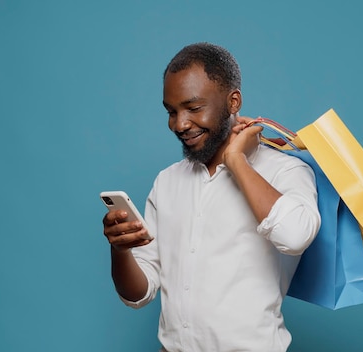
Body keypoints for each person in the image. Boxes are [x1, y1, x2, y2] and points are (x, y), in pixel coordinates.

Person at [102, 42, 321, 351]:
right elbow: (138, 295)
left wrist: (236, 161)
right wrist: (120, 250)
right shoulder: (167, 182)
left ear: (233, 102)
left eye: (193, 108)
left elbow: (296, 236)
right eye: (171, 111)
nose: (180, 124)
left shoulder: (285, 171)